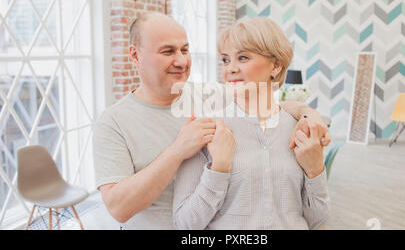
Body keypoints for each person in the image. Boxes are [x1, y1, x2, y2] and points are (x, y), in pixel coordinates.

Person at [93, 12, 330, 229]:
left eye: (184, 50)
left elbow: (263, 103)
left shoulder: (209, 97)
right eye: (168, 52)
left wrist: (308, 113)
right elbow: (118, 208)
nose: (181, 61)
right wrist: (178, 151)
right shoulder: (113, 122)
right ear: (135, 55)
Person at [173, 17, 329, 229]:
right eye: (226, 60)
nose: (231, 69)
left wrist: (316, 170)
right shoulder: (208, 130)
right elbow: (185, 224)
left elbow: (318, 222)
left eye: (243, 58)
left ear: (275, 66)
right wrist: (219, 169)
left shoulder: (301, 129)